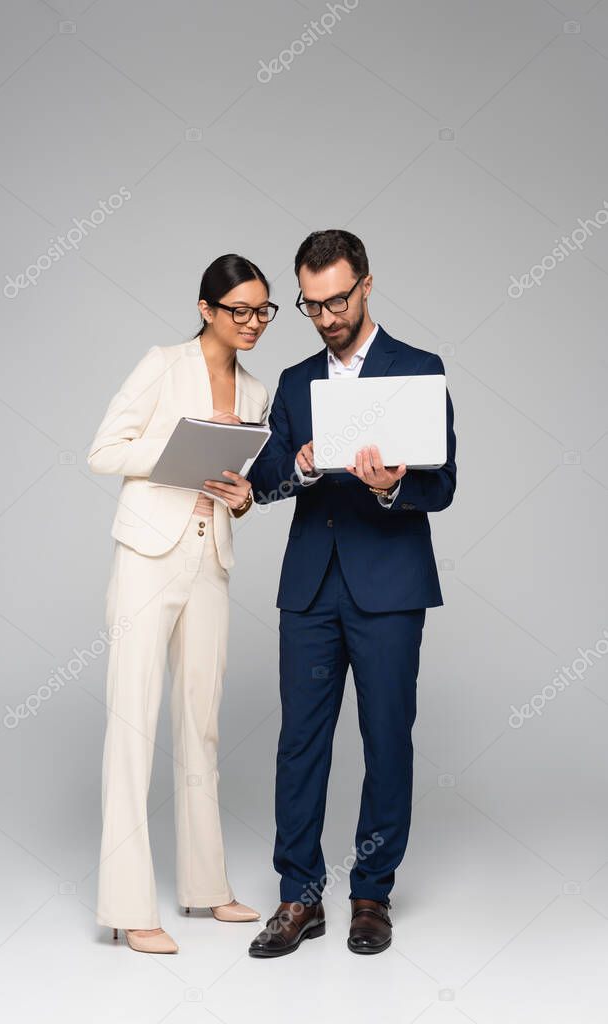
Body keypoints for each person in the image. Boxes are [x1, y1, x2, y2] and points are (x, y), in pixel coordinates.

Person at [245, 229, 457, 958]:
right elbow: (264, 483)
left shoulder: (418, 369)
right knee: (298, 744)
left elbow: (443, 485)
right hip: (309, 588)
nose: (328, 316)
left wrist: (393, 483)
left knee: (385, 740)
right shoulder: (297, 380)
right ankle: (298, 898)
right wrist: (299, 468)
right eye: (311, 304)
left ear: (366, 284)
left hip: (389, 587)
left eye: (338, 298)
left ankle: (371, 894)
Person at [87, 254, 277, 954]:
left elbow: (242, 483)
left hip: (211, 558)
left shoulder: (257, 393)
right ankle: (128, 906)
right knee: (131, 723)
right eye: (239, 311)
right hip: (147, 556)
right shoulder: (161, 364)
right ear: (206, 308)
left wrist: (244, 496)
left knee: (200, 722)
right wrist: (180, 446)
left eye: (263, 310)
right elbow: (103, 451)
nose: (253, 323)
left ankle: (206, 887)